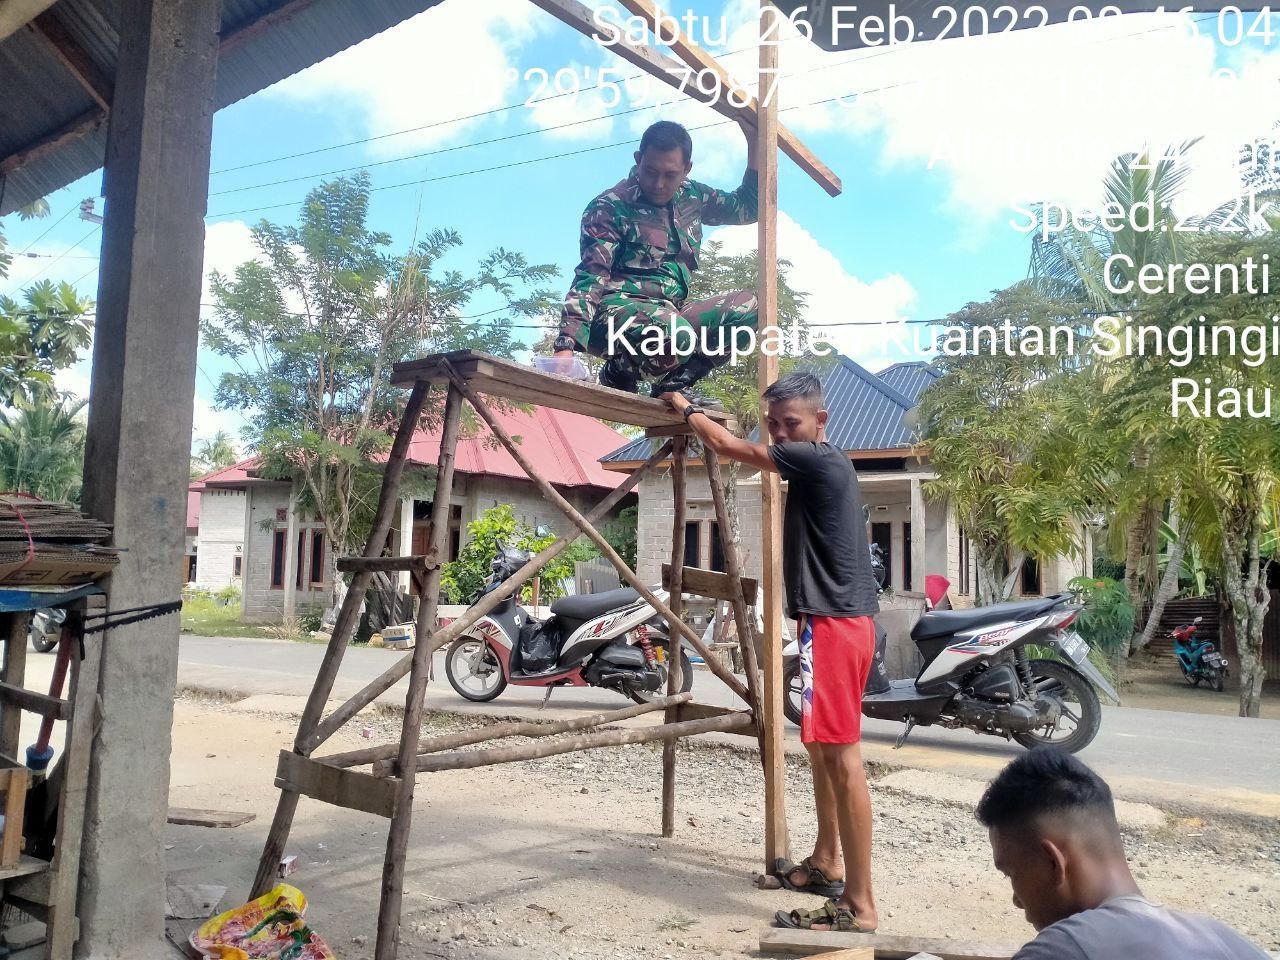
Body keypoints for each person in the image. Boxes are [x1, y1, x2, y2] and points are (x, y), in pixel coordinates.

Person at [665, 372, 882, 933]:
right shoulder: (815, 461)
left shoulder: (817, 460)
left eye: (792, 424)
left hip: (837, 624)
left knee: (843, 758)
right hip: (827, 624)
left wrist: (686, 407)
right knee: (820, 748)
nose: (782, 435)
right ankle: (827, 861)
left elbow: (726, 446)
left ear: (820, 422)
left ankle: (860, 906)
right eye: (774, 425)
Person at [977, 748, 1269, 960]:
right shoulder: (1226, 940)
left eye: (1010, 873)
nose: (1016, 899)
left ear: (1054, 862)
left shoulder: (1064, 949)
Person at [552, 119, 760, 397]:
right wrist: (566, 345)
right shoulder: (610, 206)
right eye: (650, 171)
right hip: (614, 316)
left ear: (686, 170)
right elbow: (592, 274)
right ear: (638, 160)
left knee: (749, 308)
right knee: (678, 335)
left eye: (670, 175)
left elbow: (749, 207)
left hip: (668, 317)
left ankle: (674, 384)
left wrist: (755, 139)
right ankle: (618, 371)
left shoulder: (693, 198)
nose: (658, 183)